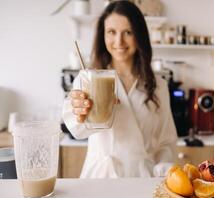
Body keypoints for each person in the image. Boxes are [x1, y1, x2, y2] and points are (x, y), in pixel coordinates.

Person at [62, 0, 177, 178]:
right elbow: (77, 130)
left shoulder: (158, 86)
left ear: (139, 35)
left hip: (142, 177)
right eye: (111, 32)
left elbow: (166, 142)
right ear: (103, 35)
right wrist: (79, 111)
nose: (119, 41)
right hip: (101, 177)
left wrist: (163, 170)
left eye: (128, 32)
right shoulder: (88, 79)